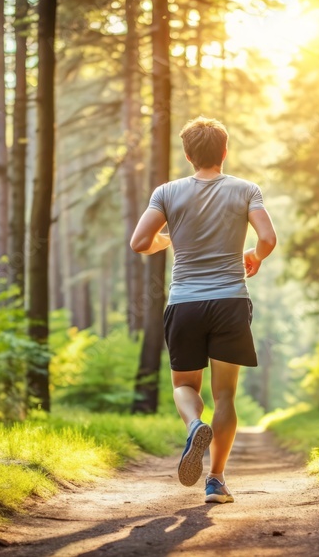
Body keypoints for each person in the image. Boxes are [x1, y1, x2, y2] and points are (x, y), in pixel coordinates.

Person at [129, 116, 277, 504]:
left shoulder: (166, 192)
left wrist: (168, 240)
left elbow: (139, 242)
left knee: (184, 386)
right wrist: (254, 256)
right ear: (225, 151)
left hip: (185, 304)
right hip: (230, 300)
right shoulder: (246, 190)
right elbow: (268, 237)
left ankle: (195, 424)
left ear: (188, 154)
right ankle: (215, 481)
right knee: (224, 395)